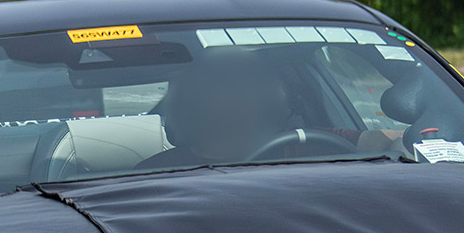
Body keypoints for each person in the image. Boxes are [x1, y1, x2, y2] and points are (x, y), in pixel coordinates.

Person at [139, 59, 400, 169]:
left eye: (248, 88)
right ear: (198, 106)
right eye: (225, 89)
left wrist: (404, 143)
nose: (240, 99)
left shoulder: (309, 144)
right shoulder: (159, 171)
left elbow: (379, 140)